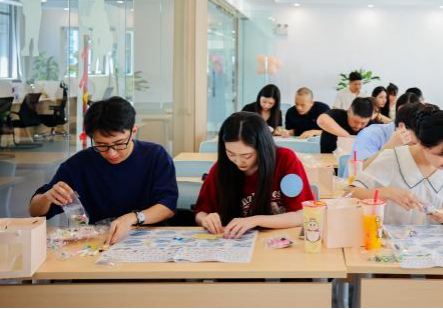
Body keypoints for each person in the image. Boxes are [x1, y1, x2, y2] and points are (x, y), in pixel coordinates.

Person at [29, 97, 178, 245]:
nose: (112, 153)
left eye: (119, 143)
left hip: (150, 239)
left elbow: (168, 206)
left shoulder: (155, 156)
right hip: (99, 241)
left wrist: (133, 218)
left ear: (133, 131)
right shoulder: (79, 164)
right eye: (101, 145)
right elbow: (35, 211)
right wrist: (47, 197)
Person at [195, 112, 314, 239]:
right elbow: (200, 213)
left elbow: (302, 214)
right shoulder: (222, 168)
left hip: (278, 241)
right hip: (236, 242)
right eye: (231, 154)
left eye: (247, 156)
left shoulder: (285, 160)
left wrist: (256, 220)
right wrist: (206, 219)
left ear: (262, 148)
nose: (239, 162)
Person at [349, 108, 443, 225]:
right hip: (392, 235)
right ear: (423, 144)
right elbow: (351, 193)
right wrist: (386, 192)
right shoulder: (393, 158)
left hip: (431, 236)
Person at [349, 94, 425, 173]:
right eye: (415, 143)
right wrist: (389, 146)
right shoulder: (370, 135)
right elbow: (355, 173)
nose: (418, 145)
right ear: (402, 127)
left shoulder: (420, 138)